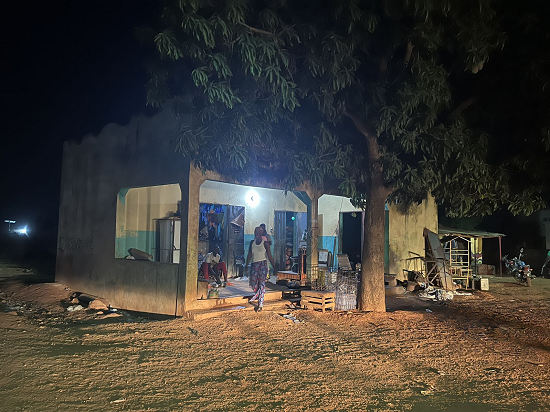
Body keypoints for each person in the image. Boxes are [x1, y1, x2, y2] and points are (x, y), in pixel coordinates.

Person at [246, 227, 275, 312]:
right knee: (253, 283)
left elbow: (269, 256)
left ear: (261, 233)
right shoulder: (252, 242)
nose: (257, 233)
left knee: (262, 284)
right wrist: (246, 265)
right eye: (256, 232)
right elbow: (249, 254)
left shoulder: (265, 243)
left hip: (262, 264)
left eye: (259, 232)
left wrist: (274, 267)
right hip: (254, 264)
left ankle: (260, 304)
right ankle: (258, 294)